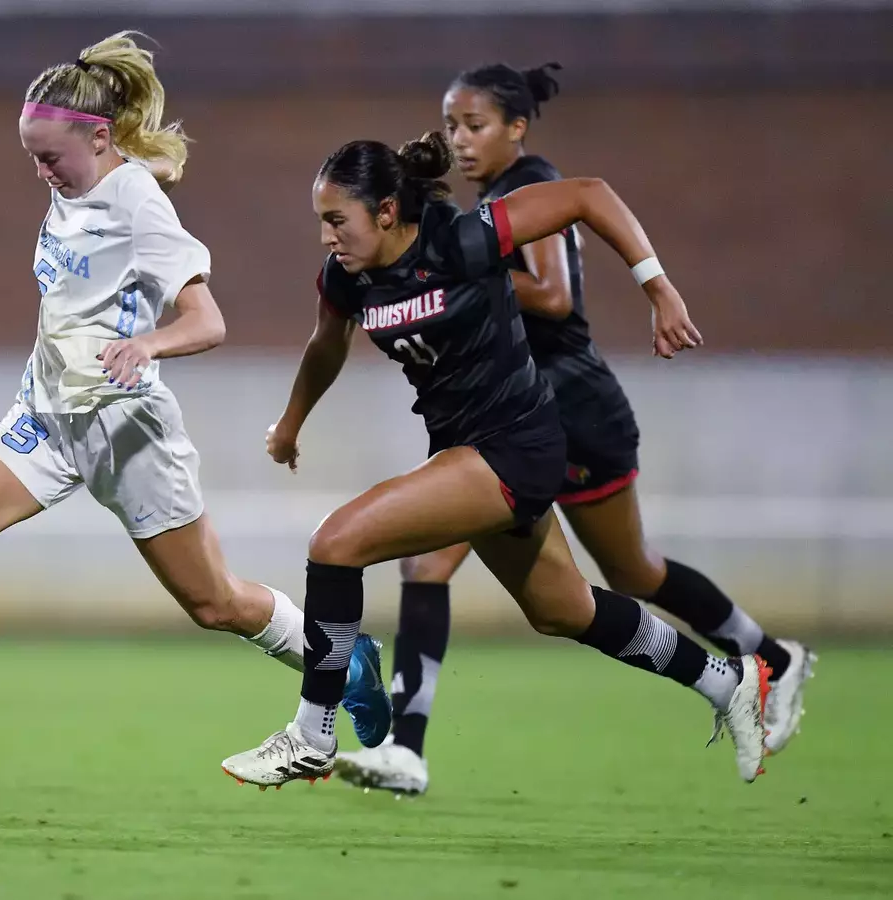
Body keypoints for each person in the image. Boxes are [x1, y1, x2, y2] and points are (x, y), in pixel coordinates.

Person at [0, 32, 390, 819]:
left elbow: (207, 321)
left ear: (98, 137)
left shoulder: (138, 203)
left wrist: (146, 343)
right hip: (45, 418)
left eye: (51, 159)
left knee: (215, 604)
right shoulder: (70, 181)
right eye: (32, 158)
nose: (41, 174)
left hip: (128, 430)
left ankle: (345, 664)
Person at [219, 130, 772, 789]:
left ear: (387, 212)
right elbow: (325, 344)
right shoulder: (348, 277)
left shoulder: (460, 240)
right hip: (470, 451)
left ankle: (312, 735)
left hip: (516, 444)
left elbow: (588, 197)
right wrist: (291, 423)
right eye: (322, 222)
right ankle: (728, 682)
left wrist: (658, 288)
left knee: (336, 543)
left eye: (337, 219)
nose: (327, 235)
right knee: (565, 611)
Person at [335, 64, 815, 796]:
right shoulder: (485, 209)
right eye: (452, 126)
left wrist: (452, 283)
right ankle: (407, 746)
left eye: (476, 125)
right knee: (522, 583)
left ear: (516, 128)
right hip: (516, 407)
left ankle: (767, 662)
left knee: (630, 574)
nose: (460, 140)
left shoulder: (528, 184)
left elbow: (554, 297)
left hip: (564, 405)